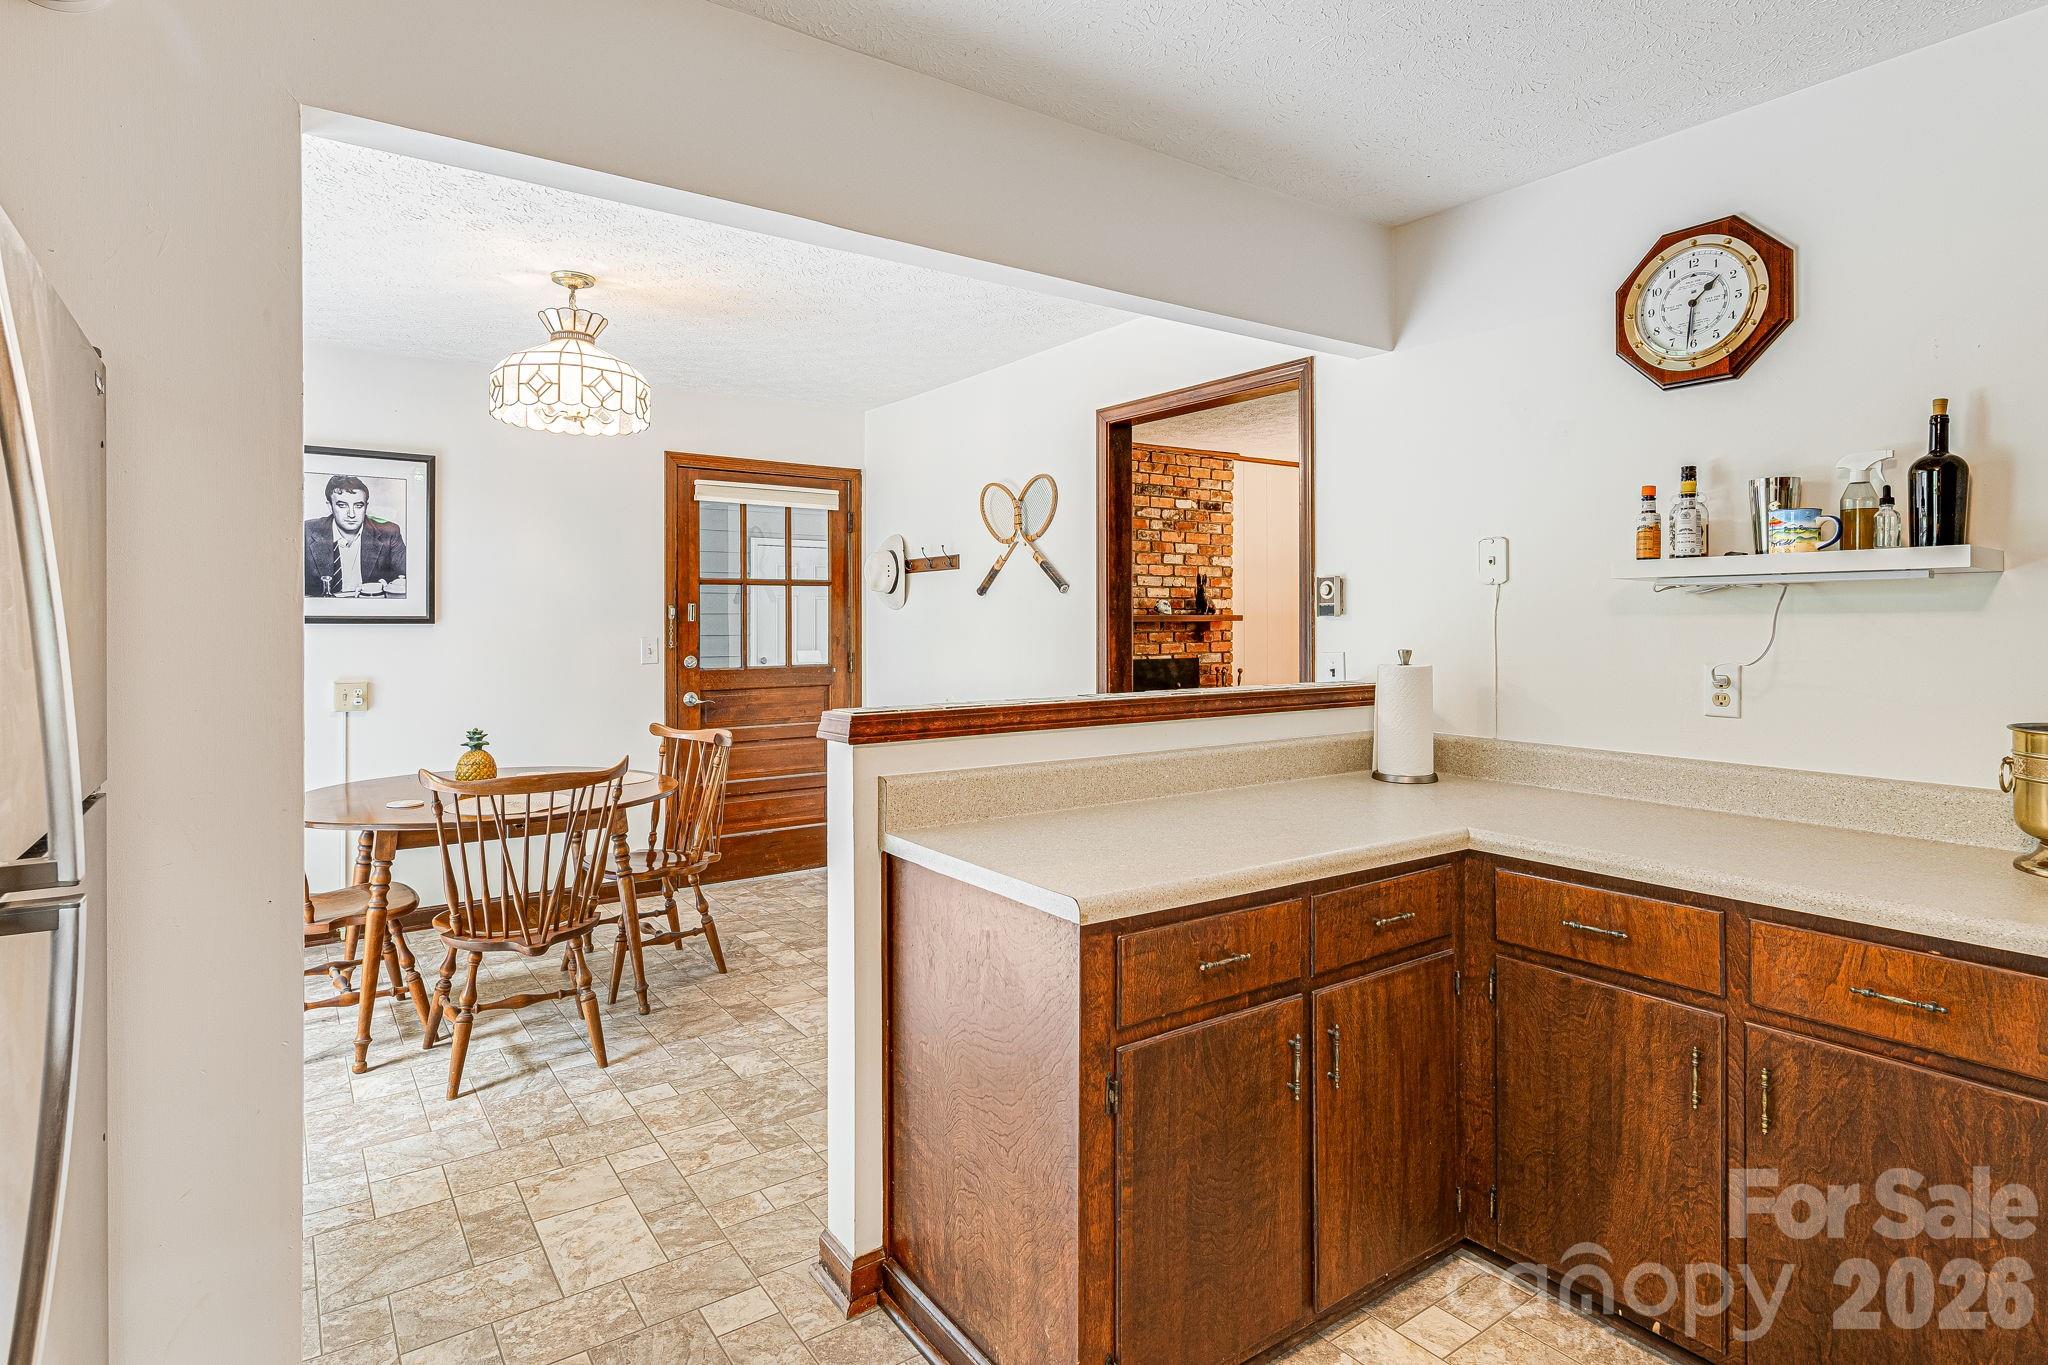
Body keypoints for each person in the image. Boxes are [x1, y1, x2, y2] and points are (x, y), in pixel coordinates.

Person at [304, 474, 407, 598]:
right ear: (330, 506)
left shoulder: (389, 532)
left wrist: (388, 586)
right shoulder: (307, 532)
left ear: (366, 506)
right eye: (342, 505)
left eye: (358, 506)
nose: (351, 514)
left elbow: (411, 578)